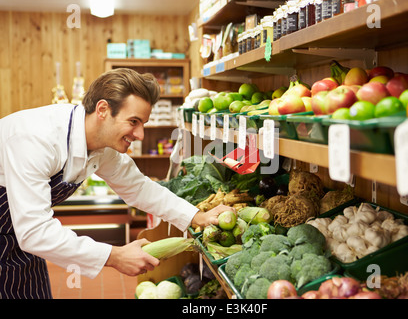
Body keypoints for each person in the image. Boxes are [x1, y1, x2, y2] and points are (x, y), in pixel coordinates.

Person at [0, 68, 233, 299]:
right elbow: (33, 231)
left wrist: (196, 217)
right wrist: (114, 256)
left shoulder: (101, 146)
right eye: (134, 121)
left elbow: (139, 188)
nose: (140, 134)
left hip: (17, 236)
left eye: (143, 123)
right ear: (103, 109)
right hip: (24, 231)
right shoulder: (36, 139)